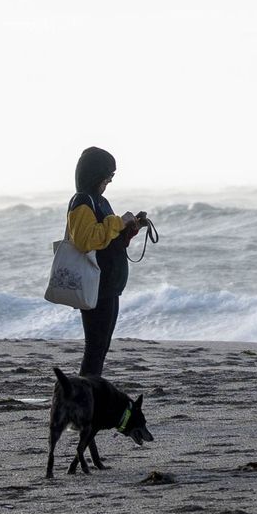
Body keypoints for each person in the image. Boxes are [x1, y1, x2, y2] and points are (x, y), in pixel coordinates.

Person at [67, 146, 152, 377]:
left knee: (100, 349)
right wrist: (118, 222)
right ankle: (86, 400)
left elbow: (107, 240)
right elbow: (85, 241)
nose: (109, 181)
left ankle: (89, 397)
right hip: (96, 286)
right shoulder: (82, 201)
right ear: (95, 174)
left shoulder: (99, 201)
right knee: (95, 350)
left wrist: (129, 229)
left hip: (108, 286)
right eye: (108, 176)